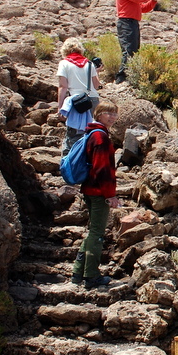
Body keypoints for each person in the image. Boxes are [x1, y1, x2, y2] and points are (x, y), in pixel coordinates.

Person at [71, 101, 121, 289]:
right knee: (97, 233)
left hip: (90, 189)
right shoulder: (100, 137)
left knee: (93, 232)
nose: (112, 117)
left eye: (114, 113)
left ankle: (78, 272)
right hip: (98, 191)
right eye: (108, 113)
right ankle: (91, 275)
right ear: (98, 114)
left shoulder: (94, 133)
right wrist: (110, 195)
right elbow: (102, 169)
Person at [57, 38, 101, 157]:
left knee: (72, 136)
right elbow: (96, 85)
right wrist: (97, 72)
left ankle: (68, 165)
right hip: (93, 101)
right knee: (92, 134)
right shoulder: (89, 63)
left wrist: (60, 107)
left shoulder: (64, 63)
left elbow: (63, 86)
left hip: (77, 102)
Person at [115, 0, 158, 83]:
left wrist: (153, 1)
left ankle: (130, 76)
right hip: (126, 22)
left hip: (132, 23)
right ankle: (122, 77)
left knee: (134, 50)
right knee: (128, 49)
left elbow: (143, 8)